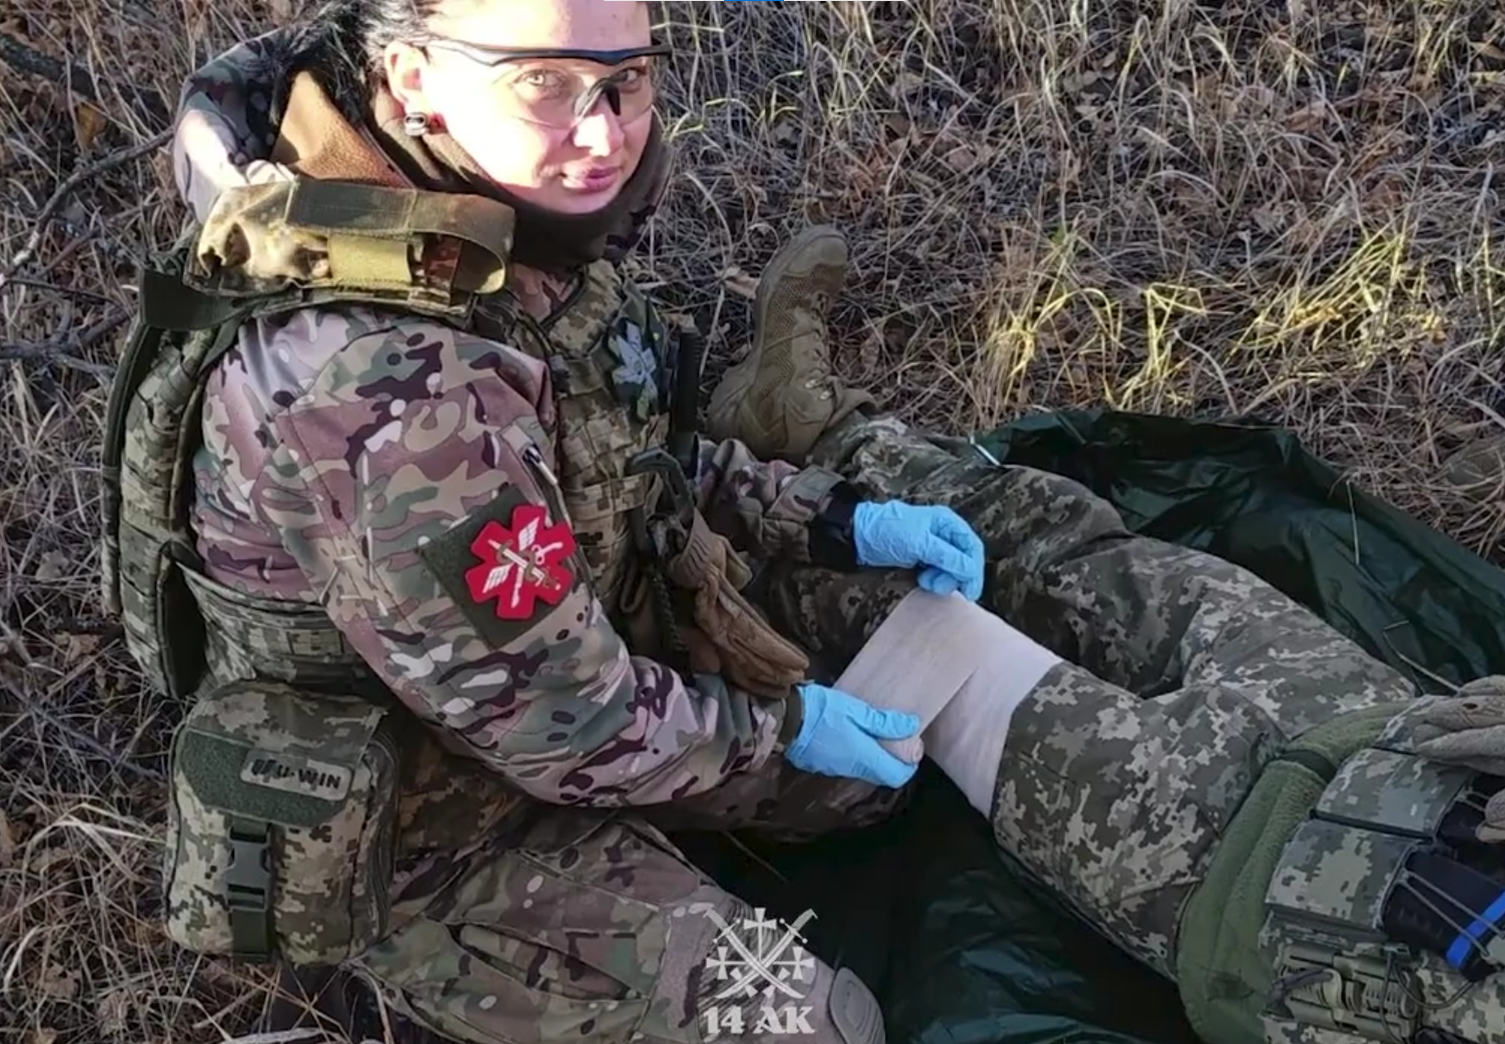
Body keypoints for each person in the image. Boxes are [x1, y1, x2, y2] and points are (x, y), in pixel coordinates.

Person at [100, 3, 1505, 1044]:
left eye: (626, 80)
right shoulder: (382, 392)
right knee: (808, 1024)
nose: (602, 131)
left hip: (583, 653)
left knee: (878, 761)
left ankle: (809, 499)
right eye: (545, 83)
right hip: (442, 821)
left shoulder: (480, 229)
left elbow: (630, 465)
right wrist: (777, 733)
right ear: (412, 74)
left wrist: (839, 521)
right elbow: (561, 726)